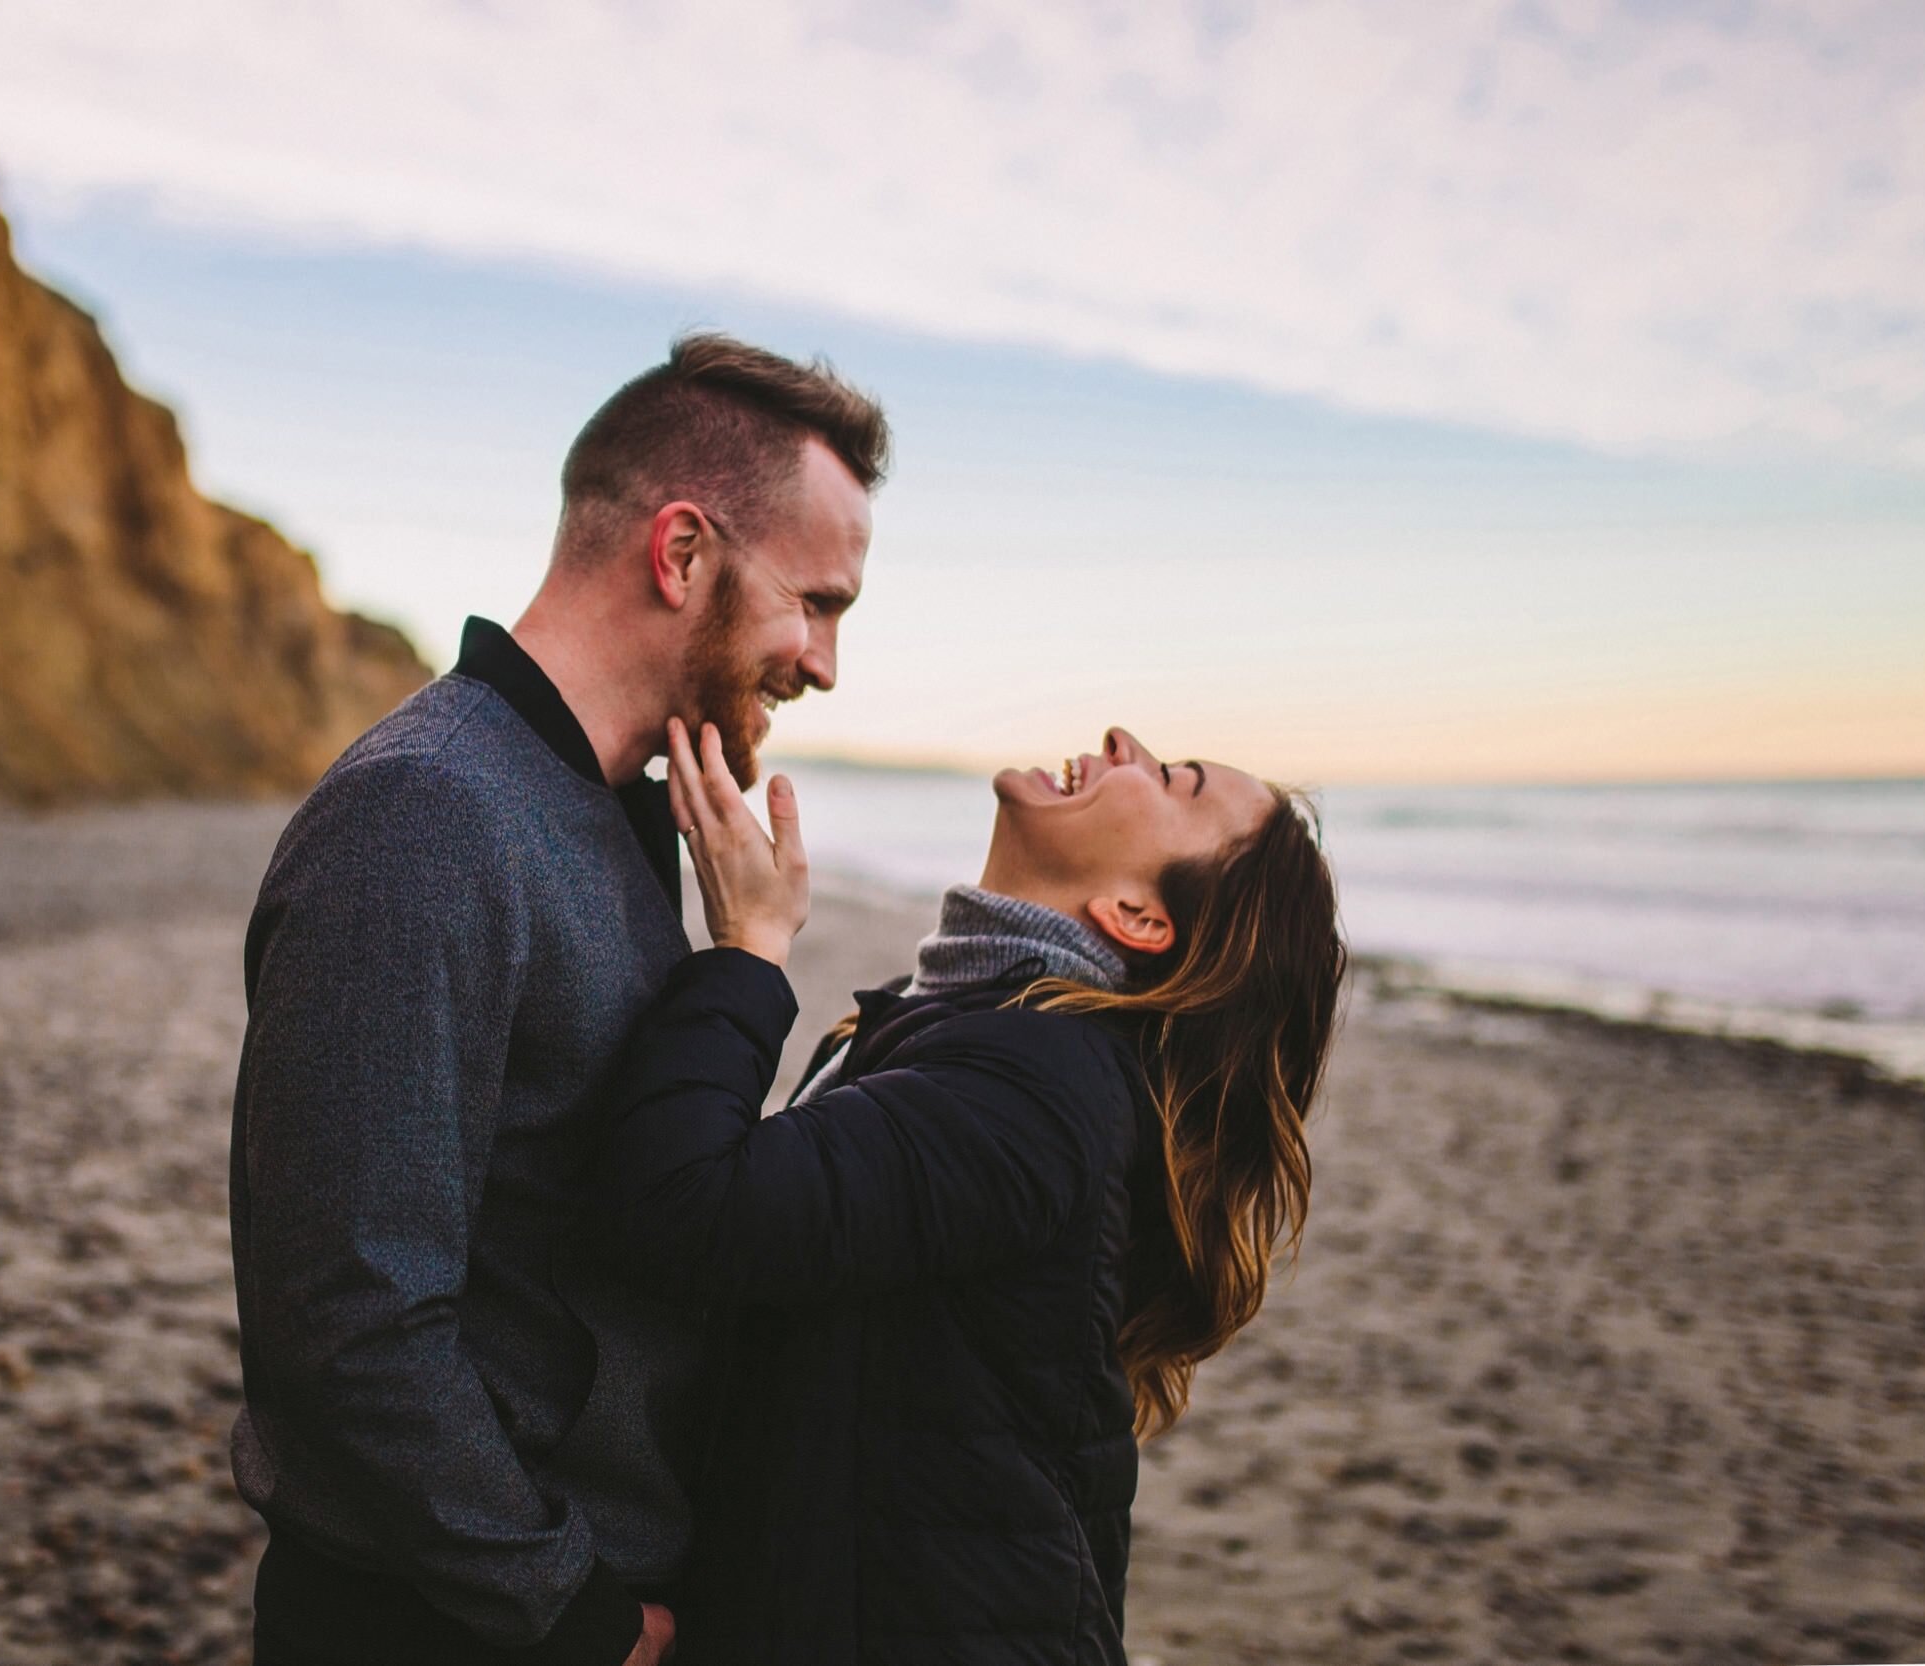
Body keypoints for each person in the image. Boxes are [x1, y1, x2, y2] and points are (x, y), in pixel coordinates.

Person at [227, 334, 887, 1666]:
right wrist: (571, 1609)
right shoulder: (423, 815)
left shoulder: (614, 813)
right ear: (683, 552)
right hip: (449, 1625)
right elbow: (345, 1318)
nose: (822, 662)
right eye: (815, 602)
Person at [589, 719, 1347, 1665]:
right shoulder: (981, 1032)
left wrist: (751, 947)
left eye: (1174, 782)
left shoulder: (1031, 1084)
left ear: (1138, 917)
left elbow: (687, 1207)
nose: (1123, 740)